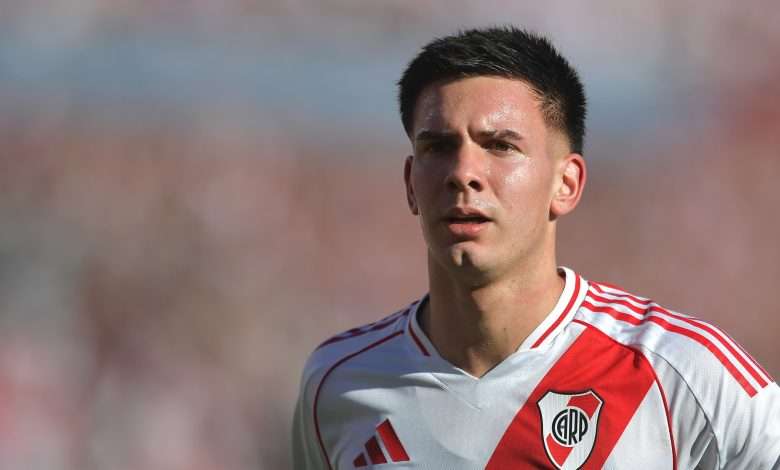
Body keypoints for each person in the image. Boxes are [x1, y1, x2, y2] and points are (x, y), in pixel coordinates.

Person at [291, 26, 779, 469]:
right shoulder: (339, 384)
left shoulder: (680, 373)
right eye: (438, 147)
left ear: (566, 183)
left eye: (500, 146)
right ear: (410, 184)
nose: (464, 173)